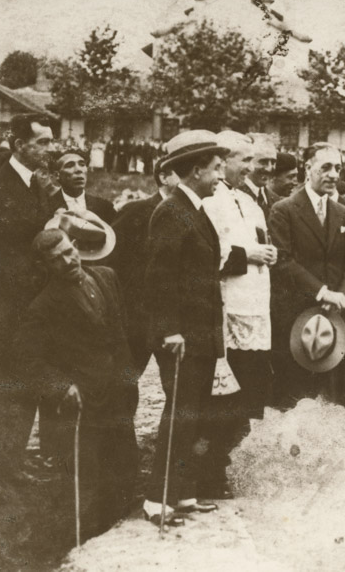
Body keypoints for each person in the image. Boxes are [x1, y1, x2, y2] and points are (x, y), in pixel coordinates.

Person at [14, 229, 138, 539]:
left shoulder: (106, 276)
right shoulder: (42, 306)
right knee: (87, 476)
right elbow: (28, 360)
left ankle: (122, 535)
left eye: (70, 252)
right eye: (57, 260)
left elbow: (121, 330)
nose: (68, 261)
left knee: (125, 463)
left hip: (118, 390)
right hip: (84, 403)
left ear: (77, 246)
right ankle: (85, 543)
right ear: (46, 265)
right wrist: (61, 386)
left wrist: (129, 377)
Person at [141, 130, 228, 527]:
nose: (221, 175)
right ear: (195, 172)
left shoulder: (195, 210)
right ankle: (157, 499)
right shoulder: (172, 211)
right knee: (179, 413)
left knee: (193, 414)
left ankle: (182, 491)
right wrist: (170, 330)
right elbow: (159, 279)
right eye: (216, 168)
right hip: (181, 337)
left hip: (201, 336)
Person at [0, 113, 57, 481]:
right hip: (4, 308)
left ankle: (11, 461)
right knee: (2, 388)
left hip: (33, 306)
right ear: (20, 144)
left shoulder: (37, 186)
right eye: (43, 142)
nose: (51, 148)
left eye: (51, 141)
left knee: (27, 383)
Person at [199, 130, 277, 499]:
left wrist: (265, 253)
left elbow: (259, 241)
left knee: (248, 394)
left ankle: (238, 466)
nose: (249, 167)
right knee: (223, 398)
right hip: (228, 311)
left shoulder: (250, 201)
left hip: (255, 309)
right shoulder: (211, 202)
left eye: (251, 160)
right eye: (243, 160)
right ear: (223, 160)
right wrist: (248, 256)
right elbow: (206, 256)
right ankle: (211, 473)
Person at [268, 142, 345, 405]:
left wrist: (342, 295)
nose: (333, 175)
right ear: (308, 169)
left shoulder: (342, 213)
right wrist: (322, 292)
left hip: (334, 315)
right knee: (294, 388)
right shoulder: (284, 209)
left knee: (330, 388)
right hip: (296, 312)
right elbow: (283, 261)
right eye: (326, 167)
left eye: (338, 168)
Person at [109, 162, 181, 391]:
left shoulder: (191, 214)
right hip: (137, 317)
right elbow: (112, 261)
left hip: (172, 320)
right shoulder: (136, 211)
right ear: (163, 177)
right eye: (183, 172)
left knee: (177, 390)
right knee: (124, 385)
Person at [47, 149, 116, 224]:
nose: (78, 170)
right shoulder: (46, 208)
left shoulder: (104, 207)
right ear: (57, 175)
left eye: (82, 165)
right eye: (69, 165)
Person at [241, 133, 281, 220]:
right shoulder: (235, 197)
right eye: (263, 162)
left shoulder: (276, 200)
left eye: (273, 162)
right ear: (248, 161)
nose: (269, 169)